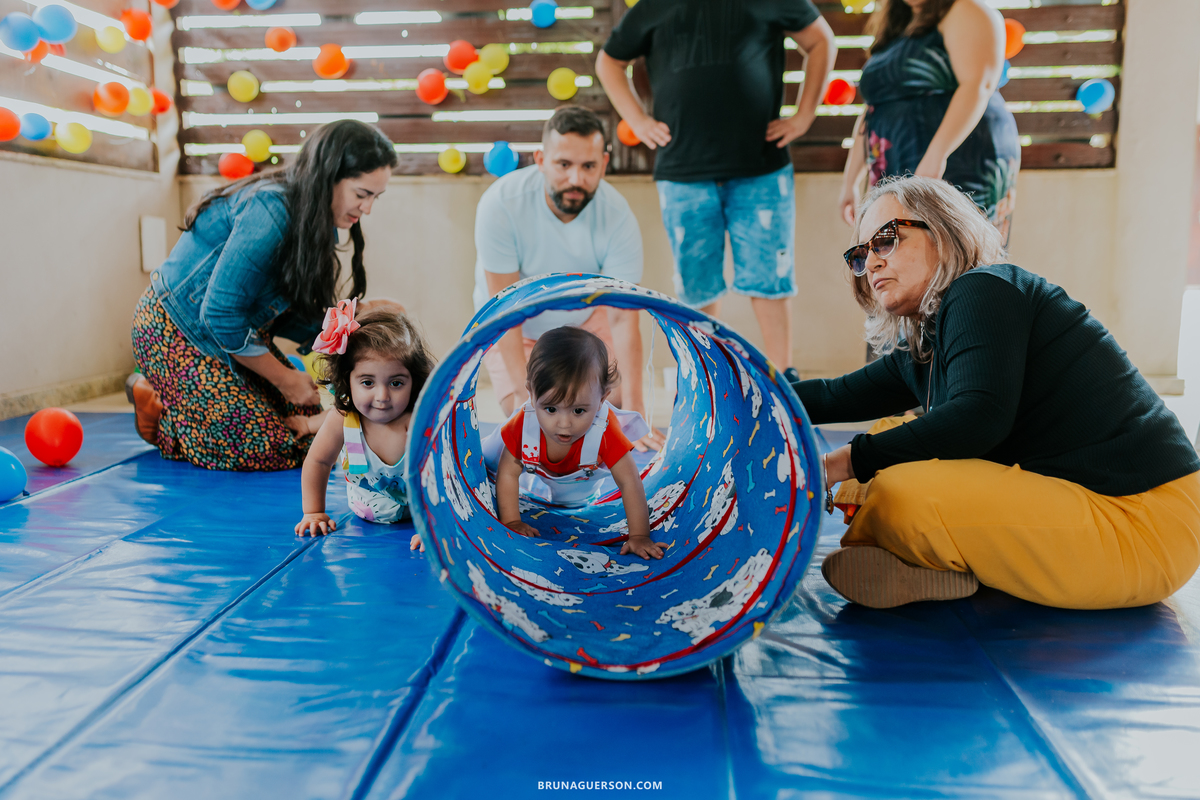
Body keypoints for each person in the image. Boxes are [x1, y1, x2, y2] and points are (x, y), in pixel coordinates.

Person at [793, 175, 1200, 610]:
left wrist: (843, 462)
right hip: (1089, 511)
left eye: (886, 240)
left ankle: (930, 555)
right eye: (861, 253)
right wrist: (742, 389)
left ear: (944, 232)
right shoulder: (929, 340)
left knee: (896, 487)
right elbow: (832, 397)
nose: (871, 262)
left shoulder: (982, 288)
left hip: (1142, 524)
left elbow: (978, 417)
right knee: (892, 434)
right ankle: (939, 565)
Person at [129, 120, 397, 471]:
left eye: (375, 197)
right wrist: (284, 379)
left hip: (230, 334)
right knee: (270, 446)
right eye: (362, 194)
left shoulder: (315, 220)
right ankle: (163, 409)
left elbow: (283, 310)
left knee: (312, 427)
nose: (368, 209)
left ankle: (188, 406)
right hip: (175, 331)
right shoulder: (271, 209)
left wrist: (351, 330)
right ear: (326, 177)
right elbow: (220, 313)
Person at [596, 0, 836, 380]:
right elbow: (608, 61)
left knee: (770, 280)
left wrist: (806, 113)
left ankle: (785, 381)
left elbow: (822, 40)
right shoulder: (653, 7)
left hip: (761, 168)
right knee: (696, 285)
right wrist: (637, 119)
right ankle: (708, 378)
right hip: (683, 174)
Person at [474, 106, 662, 451]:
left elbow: (623, 316)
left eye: (588, 166)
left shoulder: (618, 216)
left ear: (604, 164)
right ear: (541, 159)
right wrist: (523, 396)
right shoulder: (500, 204)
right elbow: (505, 308)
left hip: (587, 321)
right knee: (541, 418)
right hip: (518, 328)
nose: (576, 179)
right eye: (564, 165)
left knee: (614, 409)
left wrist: (636, 413)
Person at [838, 0, 1020, 242]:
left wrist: (936, 157)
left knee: (960, 256)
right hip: (897, 158)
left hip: (958, 154)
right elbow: (874, 108)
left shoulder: (966, 10)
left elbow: (978, 85)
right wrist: (850, 180)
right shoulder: (898, 24)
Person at [484, 327, 665, 560]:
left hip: (583, 479)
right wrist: (512, 521)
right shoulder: (524, 424)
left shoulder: (605, 431)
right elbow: (508, 474)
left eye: (578, 410)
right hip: (535, 465)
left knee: (577, 504)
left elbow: (630, 482)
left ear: (602, 399)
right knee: (488, 456)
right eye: (550, 409)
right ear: (531, 393)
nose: (564, 424)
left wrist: (639, 535)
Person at [294, 304, 434, 554]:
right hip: (366, 509)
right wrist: (314, 512)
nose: (382, 396)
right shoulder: (343, 419)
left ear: (414, 380)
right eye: (367, 382)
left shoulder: (418, 421)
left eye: (396, 383)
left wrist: (434, 526)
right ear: (347, 378)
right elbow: (318, 461)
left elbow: (444, 476)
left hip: (420, 512)